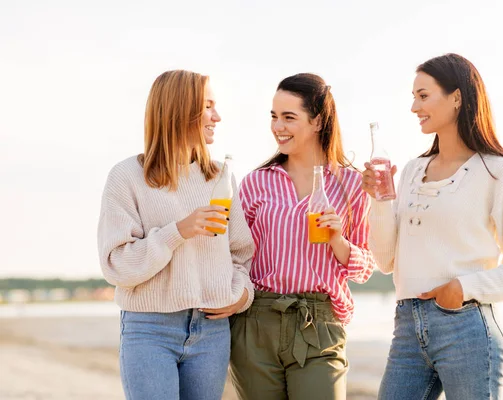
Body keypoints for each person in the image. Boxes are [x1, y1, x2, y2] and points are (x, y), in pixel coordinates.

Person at [363, 54, 503, 400]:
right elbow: (385, 261)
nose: (414, 107)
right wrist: (379, 199)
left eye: (424, 95)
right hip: (407, 328)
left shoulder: (499, 173)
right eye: (414, 97)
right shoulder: (413, 170)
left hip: (466, 327)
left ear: (457, 97)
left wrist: (461, 287)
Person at [97, 70, 254, 400]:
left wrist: (241, 296)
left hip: (211, 332)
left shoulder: (219, 178)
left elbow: (241, 254)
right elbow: (116, 266)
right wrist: (178, 231)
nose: (217, 116)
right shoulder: (127, 177)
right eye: (208, 106)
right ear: (180, 110)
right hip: (149, 329)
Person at [230, 73, 377, 400]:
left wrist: (338, 241)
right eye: (274, 116)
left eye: (288, 117)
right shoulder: (256, 183)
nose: (277, 126)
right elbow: (235, 256)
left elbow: (365, 268)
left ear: (317, 121)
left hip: (320, 323)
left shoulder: (352, 186)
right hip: (255, 323)